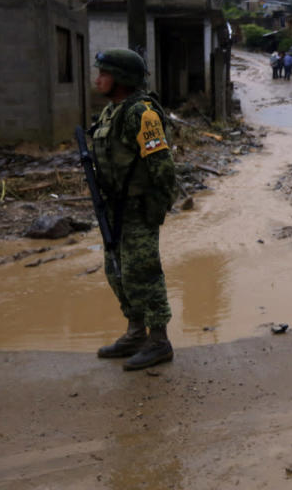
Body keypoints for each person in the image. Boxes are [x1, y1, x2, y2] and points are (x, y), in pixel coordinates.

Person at [91, 48, 177, 370]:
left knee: (144, 273)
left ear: (122, 79)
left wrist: (156, 208)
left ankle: (159, 341)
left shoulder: (141, 114)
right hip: (114, 210)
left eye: (104, 73)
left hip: (138, 209)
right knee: (117, 272)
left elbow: (163, 168)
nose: (97, 79)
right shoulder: (111, 113)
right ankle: (136, 332)